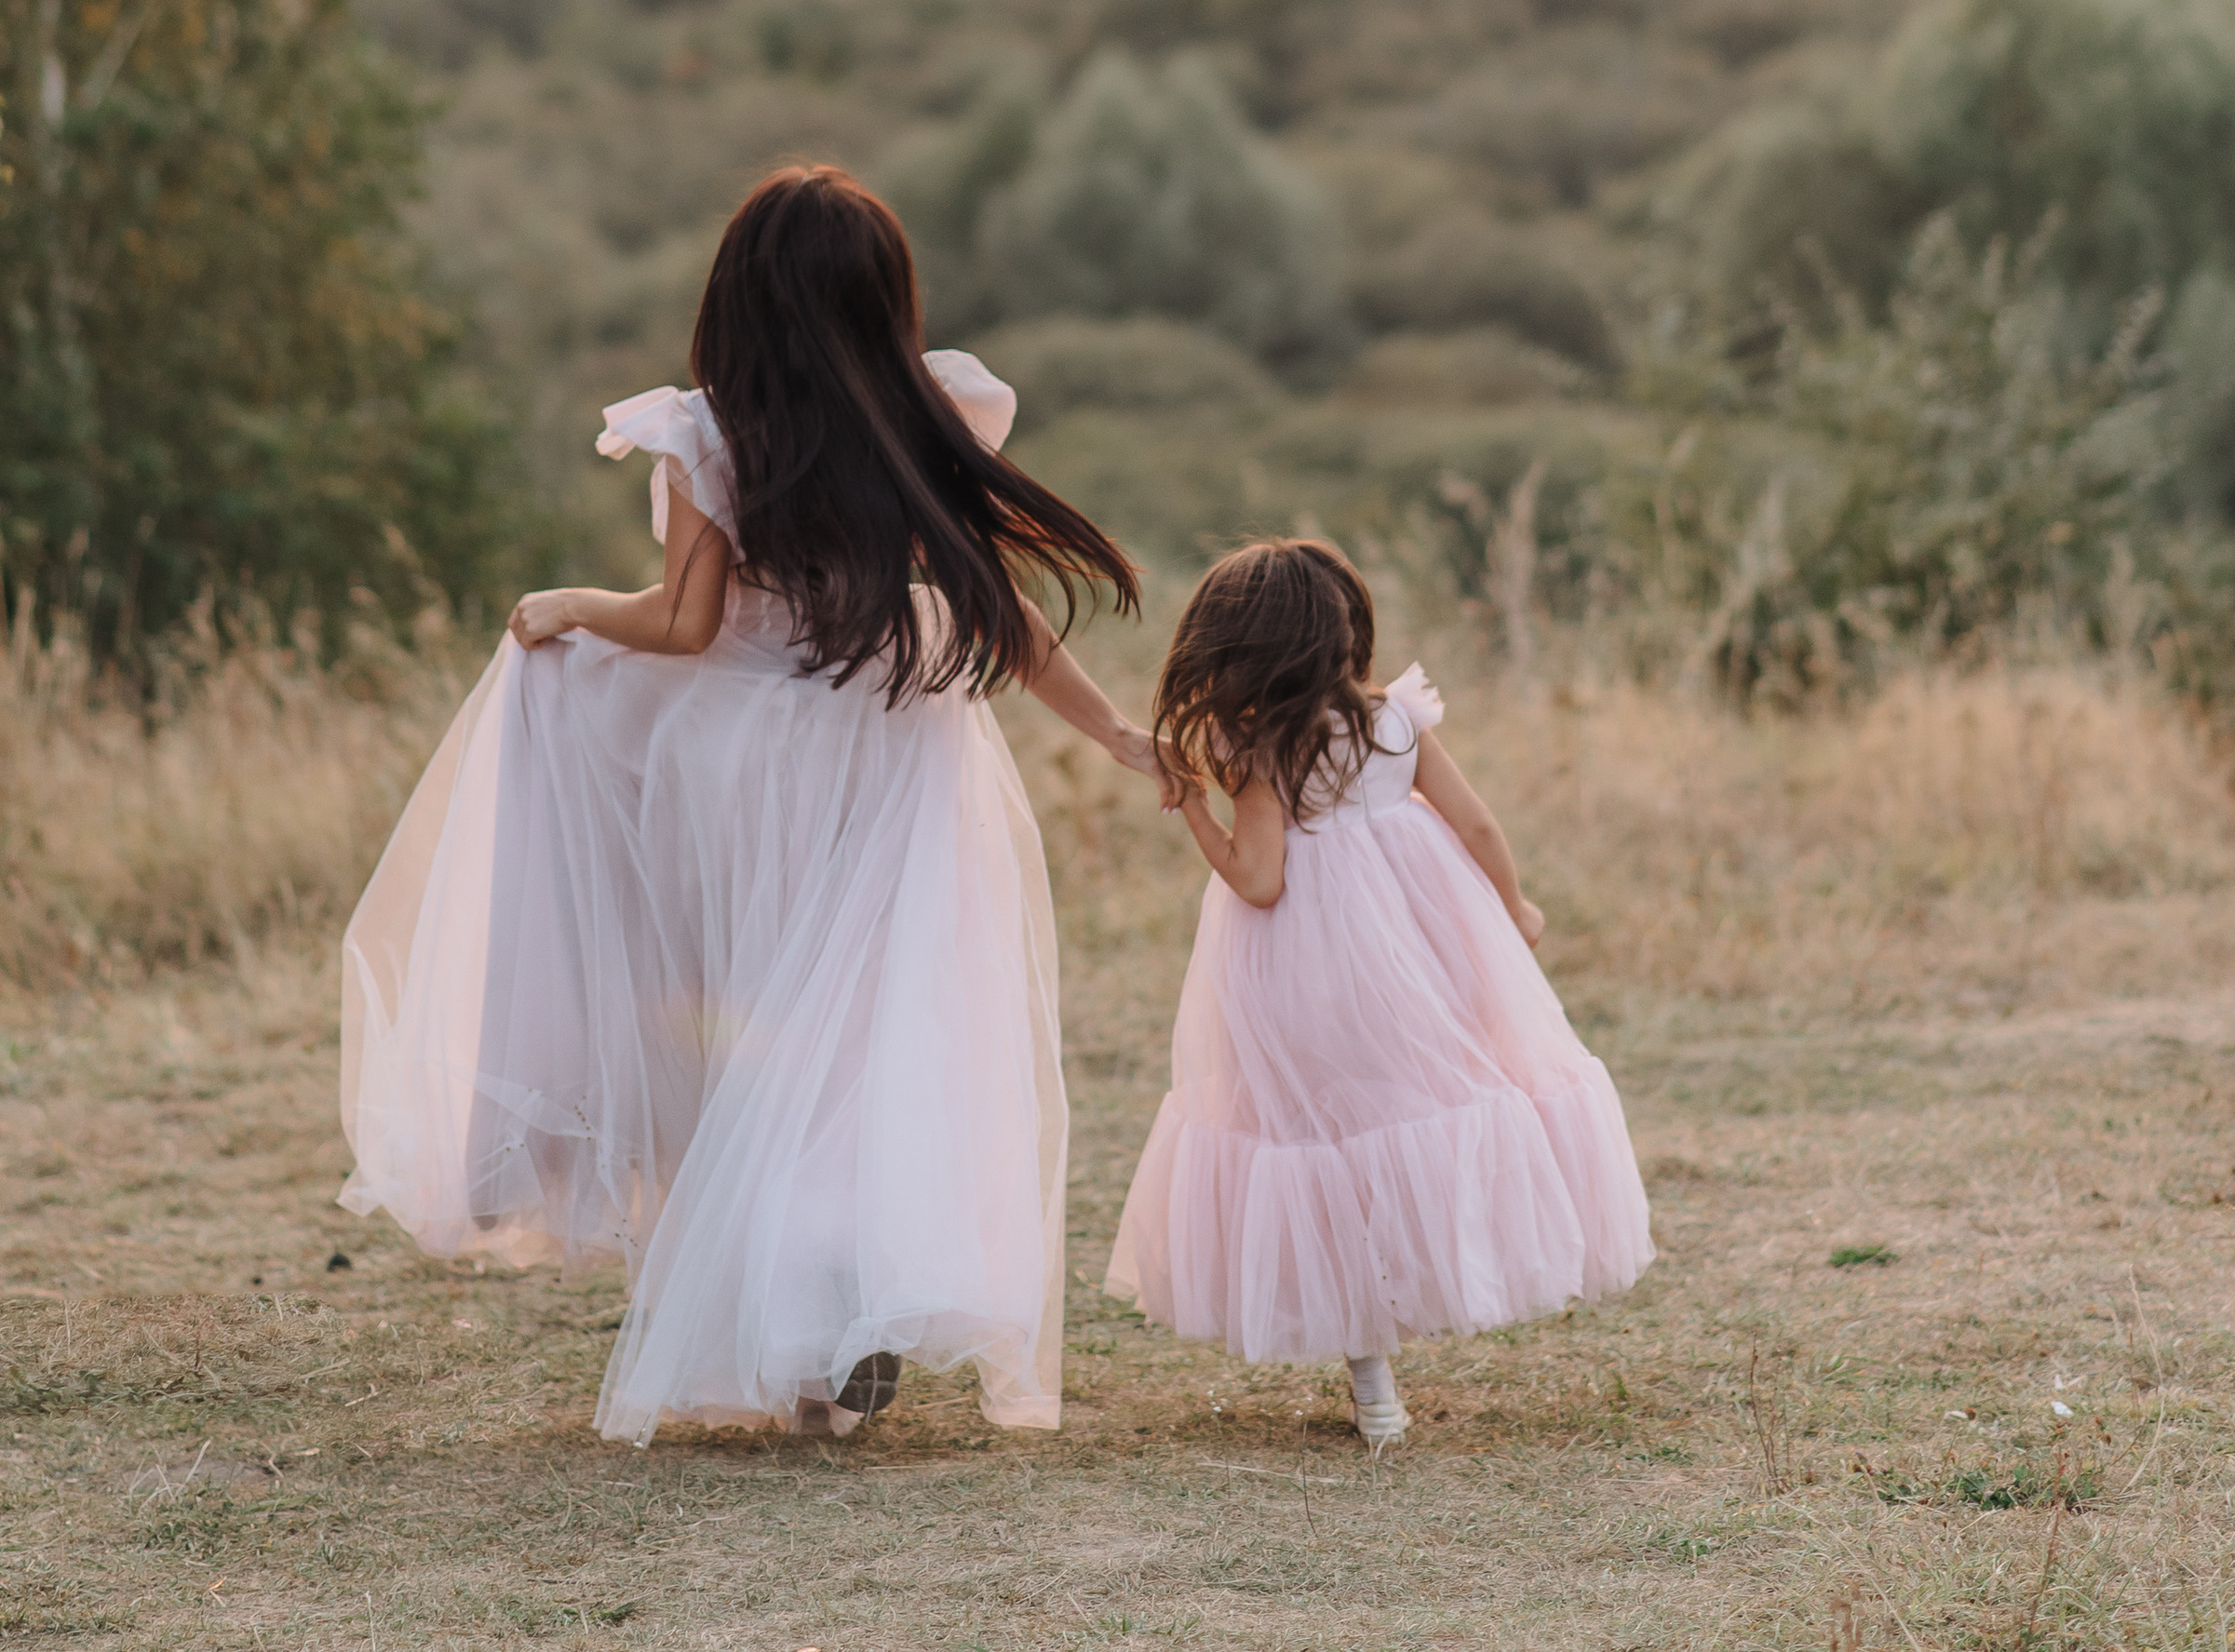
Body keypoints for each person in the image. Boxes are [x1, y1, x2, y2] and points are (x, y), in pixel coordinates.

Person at [340, 164, 1155, 1447]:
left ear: (741, 299)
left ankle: (806, 1356)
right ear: (884, 299)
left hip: (743, 767)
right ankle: (849, 1314)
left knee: (752, 1044)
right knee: (871, 1040)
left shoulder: (712, 432)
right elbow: (997, 612)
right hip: (896, 754)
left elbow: (682, 621)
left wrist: (567, 604)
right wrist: (1116, 728)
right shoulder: (925, 411)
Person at [1108, 538, 1651, 1449]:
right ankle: (1445, 1279)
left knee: (1321, 1133)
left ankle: (1374, 1384)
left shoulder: (1252, 743)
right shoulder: (1395, 718)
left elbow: (1259, 881)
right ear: (1342, 628)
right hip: (1422, 956)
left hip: (1302, 971)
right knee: (1429, 1109)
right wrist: (1512, 909)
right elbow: (1475, 820)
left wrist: (1193, 804)